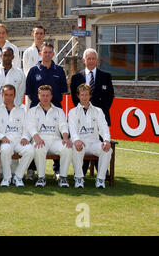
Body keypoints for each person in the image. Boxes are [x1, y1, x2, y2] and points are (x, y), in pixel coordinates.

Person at [70, 48, 115, 177]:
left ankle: (102, 172)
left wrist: (100, 111)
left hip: (100, 118)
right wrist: (83, 111)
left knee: (102, 146)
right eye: (88, 58)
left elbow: (110, 97)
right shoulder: (76, 77)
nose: (90, 61)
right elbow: (74, 97)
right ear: (84, 60)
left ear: (97, 60)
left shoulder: (106, 76)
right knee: (82, 144)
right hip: (82, 118)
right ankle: (81, 172)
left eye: (93, 58)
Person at [26, 85, 72, 188]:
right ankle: (41, 178)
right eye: (42, 95)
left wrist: (65, 138)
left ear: (51, 96)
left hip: (55, 140)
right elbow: (31, 126)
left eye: (47, 95)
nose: (45, 98)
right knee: (38, 147)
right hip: (40, 139)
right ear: (38, 96)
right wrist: (37, 138)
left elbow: (63, 126)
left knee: (67, 147)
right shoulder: (32, 110)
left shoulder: (59, 111)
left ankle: (63, 177)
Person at [69, 84, 112, 189]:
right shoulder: (73, 112)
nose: (84, 97)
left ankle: (101, 179)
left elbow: (103, 127)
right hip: (80, 142)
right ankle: (79, 178)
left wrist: (106, 140)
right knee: (76, 148)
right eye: (82, 95)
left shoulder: (98, 111)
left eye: (86, 95)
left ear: (90, 96)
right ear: (78, 96)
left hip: (94, 142)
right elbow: (72, 129)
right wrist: (76, 140)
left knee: (107, 150)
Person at [0, 84, 34, 187]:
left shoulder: (22, 111)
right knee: (5, 149)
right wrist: (1, 137)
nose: (8, 97)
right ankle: (7, 178)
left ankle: (18, 177)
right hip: (5, 141)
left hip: (19, 141)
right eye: (6, 95)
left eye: (11, 95)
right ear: (2, 95)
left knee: (30, 150)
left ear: (14, 96)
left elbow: (27, 128)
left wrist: (25, 137)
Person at [0, 46, 25, 113]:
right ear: (1, 56)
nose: (7, 58)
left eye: (9, 55)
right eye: (5, 55)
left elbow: (21, 93)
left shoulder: (20, 73)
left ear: (13, 57)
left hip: (14, 110)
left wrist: (16, 106)